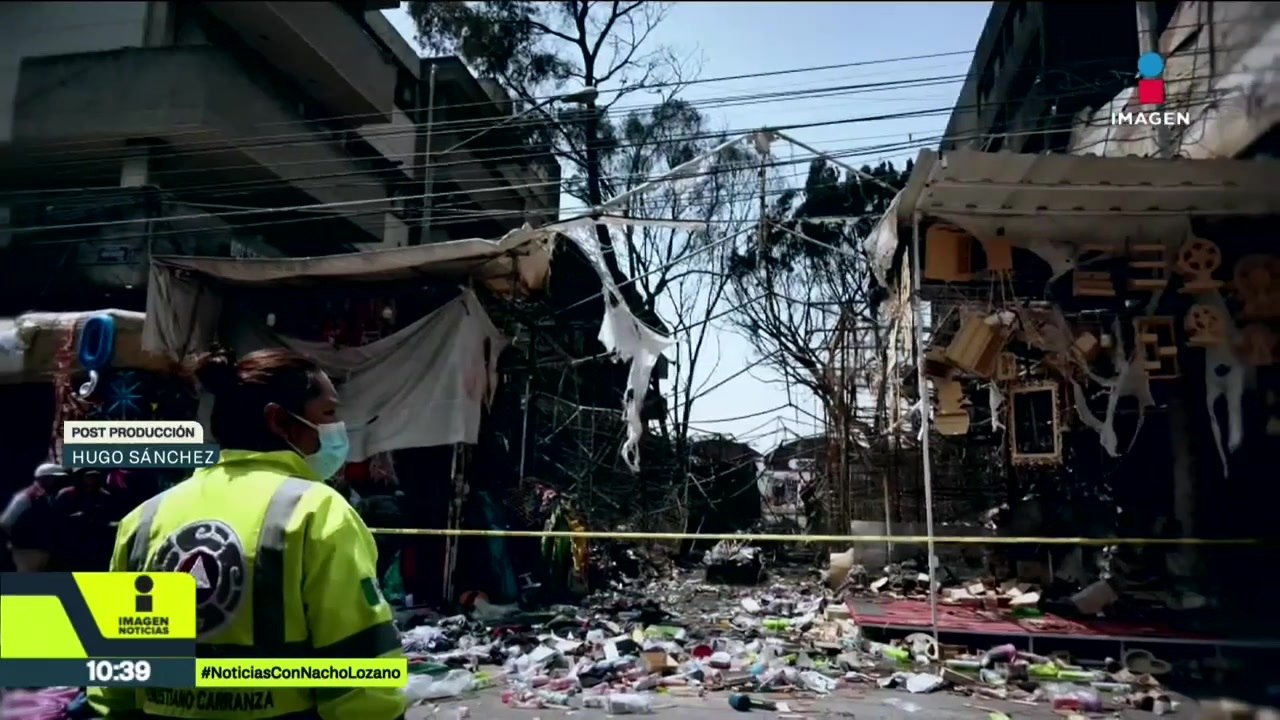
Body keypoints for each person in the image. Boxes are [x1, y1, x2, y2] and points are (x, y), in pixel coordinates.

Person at [88, 347, 407, 720]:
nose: (336, 430)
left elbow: (113, 681)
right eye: (329, 413)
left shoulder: (144, 519)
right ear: (277, 420)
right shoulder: (316, 512)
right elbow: (359, 670)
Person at [1, 462, 70, 572]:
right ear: (43, 478)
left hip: (43, 548)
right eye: (53, 478)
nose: (56, 481)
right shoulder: (26, 496)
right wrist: (20, 538)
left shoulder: (48, 496)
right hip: (26, 550)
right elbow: (6, 522)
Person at [52, 468, 118, 571]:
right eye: (88, 476)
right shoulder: (66, 495)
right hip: (71, 542)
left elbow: (109, 517)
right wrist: (76, 517)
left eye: (95, 477)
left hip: (96, 543)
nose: (92, 480)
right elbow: (56, 520)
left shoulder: (104, 496)